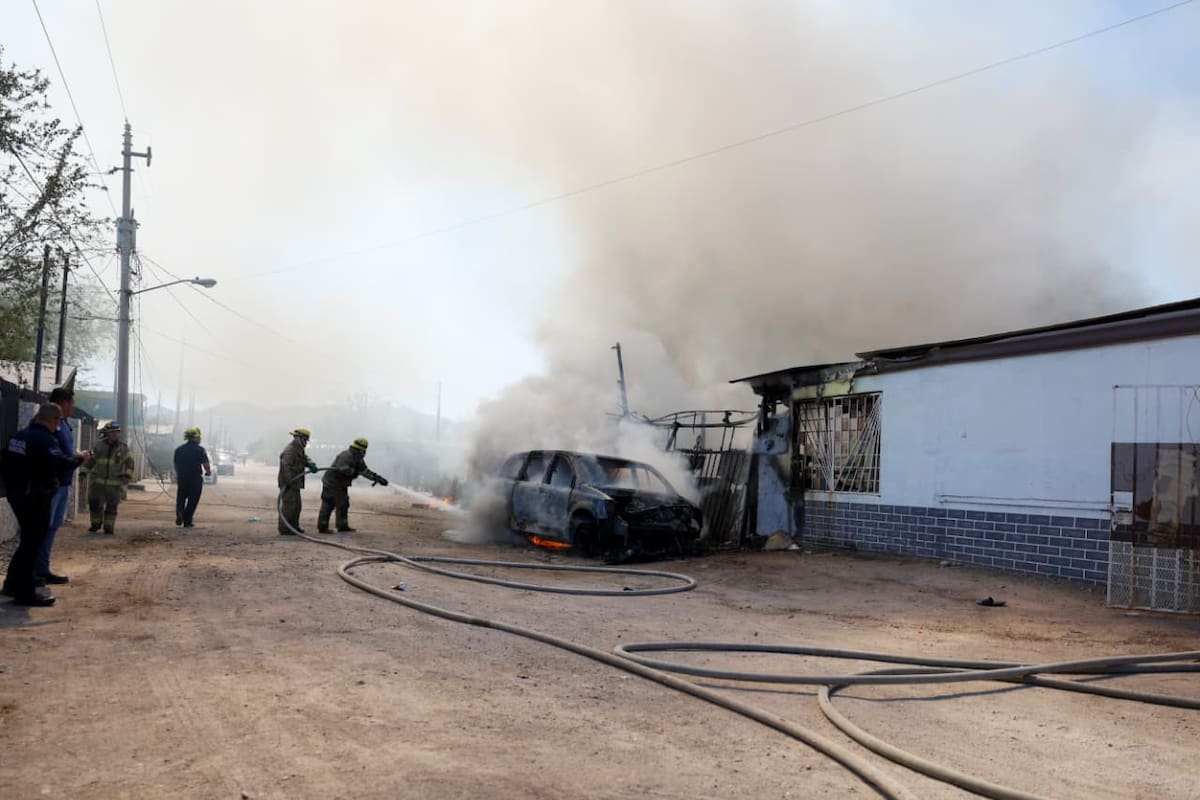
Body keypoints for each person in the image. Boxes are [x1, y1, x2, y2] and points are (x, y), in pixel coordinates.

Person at [2, 403, 86, 606]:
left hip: (17, 494)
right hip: (36, 496)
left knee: (28, 541)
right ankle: (25, 592)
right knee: (33, 542)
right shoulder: (45, 439)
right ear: (54, 420)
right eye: (59, 421)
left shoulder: (19, 436)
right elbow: (62, 463)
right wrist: (80, 458)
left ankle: (12, 583)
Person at [38, 383, 89, 585]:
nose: (72, 407)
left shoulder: (64, 425)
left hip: (64, 483)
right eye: (71, 403)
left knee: (51, 528)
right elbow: (53, 455)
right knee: (43, 528)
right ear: (62, 403)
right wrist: (76, 459)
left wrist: (77, 456)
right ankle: (36, 570)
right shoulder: (52, 425)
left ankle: (42, 568)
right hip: (52, 485)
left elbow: (64, 452)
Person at [318, 437, 387, 533]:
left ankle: (342, 526)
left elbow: (364, 471)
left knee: (343, 504)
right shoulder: (346, 455)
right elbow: (342, 468)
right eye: (363, 450)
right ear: (358, 449)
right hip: (332, 483)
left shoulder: (358, 458)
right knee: (329, 504)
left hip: (341, 485)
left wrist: (377, 478)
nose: (364, 453)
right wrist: (354, 472)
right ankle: (323, 527)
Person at [79, 422, 134, 535]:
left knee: (112, 507)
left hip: (114, 485)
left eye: (116, 432)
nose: (114, 434)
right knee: (94, 504)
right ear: (107, 433)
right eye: (112, 432)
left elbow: (130, 463)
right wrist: (83, 473)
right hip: (98, 483)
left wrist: (128, 475)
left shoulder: (123, 448)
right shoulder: (99, 446)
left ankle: (109, 527)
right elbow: (91, 461)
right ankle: (95, 524)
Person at [277, 427, 318, 535]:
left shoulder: (298, 449)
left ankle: (293, 527)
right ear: (298, 438)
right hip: (288, 483)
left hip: (295, 483)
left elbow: (304, 458)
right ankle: (285, 529)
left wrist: (311, 464)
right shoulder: (290, 450)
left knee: (297, 506)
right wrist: (290, 481)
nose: (305, 443)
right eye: (304, 440)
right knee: (289, 506)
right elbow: (287, 467)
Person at [173, 427, 211, 528]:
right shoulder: (200, 450)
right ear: (195, 438)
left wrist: (179, 475)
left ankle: (180, 513)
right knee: (193, 500)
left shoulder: (179, 450)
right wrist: (208, 472)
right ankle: (187, 521)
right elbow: (205, 464)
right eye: (199, 437)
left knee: (181, 497)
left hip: (182, 478)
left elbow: (176, 465)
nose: (200, 439)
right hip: (195, 479)